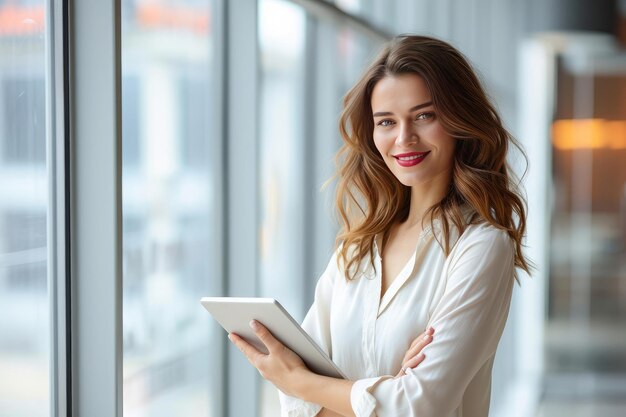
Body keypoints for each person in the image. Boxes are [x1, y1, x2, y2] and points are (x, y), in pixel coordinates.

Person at [228, 34, 532, 417]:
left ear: (459, 119)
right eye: (386, 121)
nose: (404, 138)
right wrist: (385, 390)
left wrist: (301, 382)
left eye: (424, 115)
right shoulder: (357, 247)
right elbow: (297, 409)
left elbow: (419, 405)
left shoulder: (482, 246)